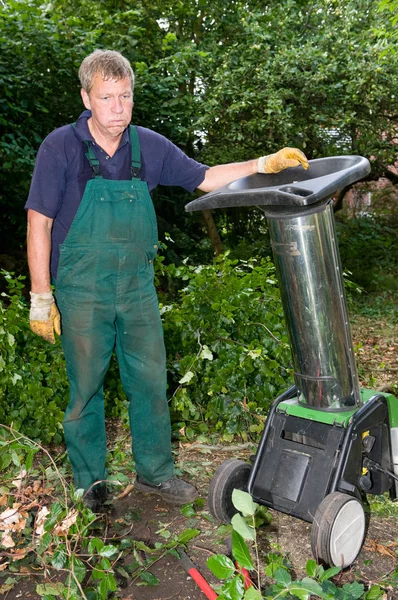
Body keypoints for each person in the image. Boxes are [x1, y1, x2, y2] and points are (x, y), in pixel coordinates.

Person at [26, 49, 308, 511]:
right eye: (107, 97)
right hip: (81, 291)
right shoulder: (61, 146)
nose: (118, 107)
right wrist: (41, 296)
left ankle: (155, 475)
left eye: (125, 96)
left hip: (137, 290)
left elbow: (204, 177)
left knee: (150, 380)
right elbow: (39, 222)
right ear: (86, 98)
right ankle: (91, 484)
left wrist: (262, 163)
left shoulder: (148, 147)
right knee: (86, 388)